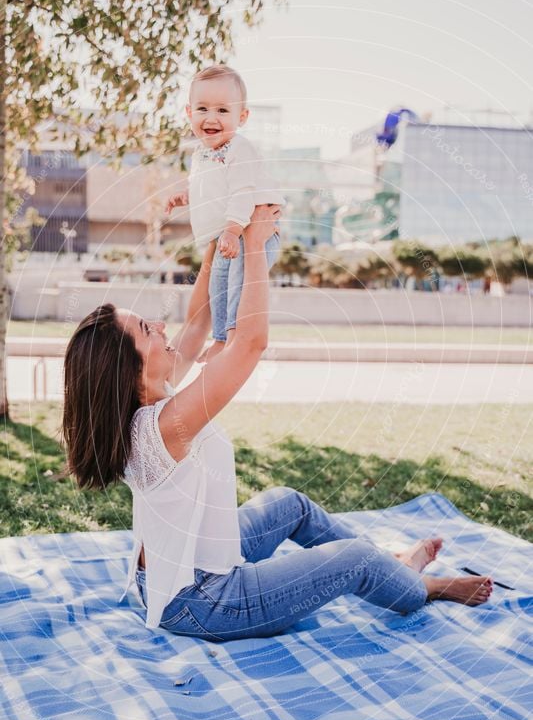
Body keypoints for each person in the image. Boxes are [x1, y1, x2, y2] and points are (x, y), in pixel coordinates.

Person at [62, 205, 493, 643]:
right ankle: (420, 588)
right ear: (130, 373)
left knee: (289, 504)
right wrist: (254, 244)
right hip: (204, 602)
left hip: (188, 569)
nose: (159, 325)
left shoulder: (149, 399)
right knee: (351, 559)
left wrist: (218, 241)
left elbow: (198, 321)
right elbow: (250, 345)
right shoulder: (162, 427)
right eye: (145, 330)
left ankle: (393, 564)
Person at [165, 64, 285, 363]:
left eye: (222, 110)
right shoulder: (201, 153)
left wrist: (233, 229)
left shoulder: (239, 148)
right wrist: (186, 196)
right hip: (229, 232)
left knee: (237, 284)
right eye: (203, 108)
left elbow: (242, 191)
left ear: (241, 117)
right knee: (218, 281)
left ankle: (234, 335)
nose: (211, 118)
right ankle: (220, 338)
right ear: (189, 112)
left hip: (249, 229)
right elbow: (213, 189)